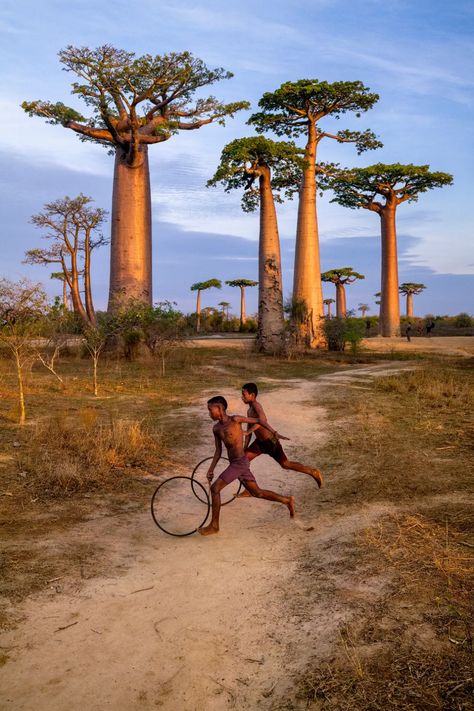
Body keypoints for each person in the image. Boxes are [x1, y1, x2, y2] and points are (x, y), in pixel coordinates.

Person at [198, 396, 295, 536]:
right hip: (236, 464)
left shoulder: (235, 420)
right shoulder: (216, 428)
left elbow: (259, 421)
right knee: (257, 492)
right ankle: (287, 501)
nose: (209, 413)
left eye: (210, 409)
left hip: (240, 462)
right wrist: (211, 469)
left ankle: (214, 526)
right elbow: (218, 451)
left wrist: (274, 433)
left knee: (215, 488)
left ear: (219, 408)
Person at [240, 382, 323, 488]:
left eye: (244, 394)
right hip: (259, 443)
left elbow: (263, 420)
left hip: (270, 441)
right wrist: (245, 447)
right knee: (242, 461)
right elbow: (248, 432)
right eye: (242, 394)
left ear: (252, 395)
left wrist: (249, 431)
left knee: (285, 464)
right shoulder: (249, 411)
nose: (242, 397)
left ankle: (312, 472)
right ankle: (251, 488)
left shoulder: (256, 405)